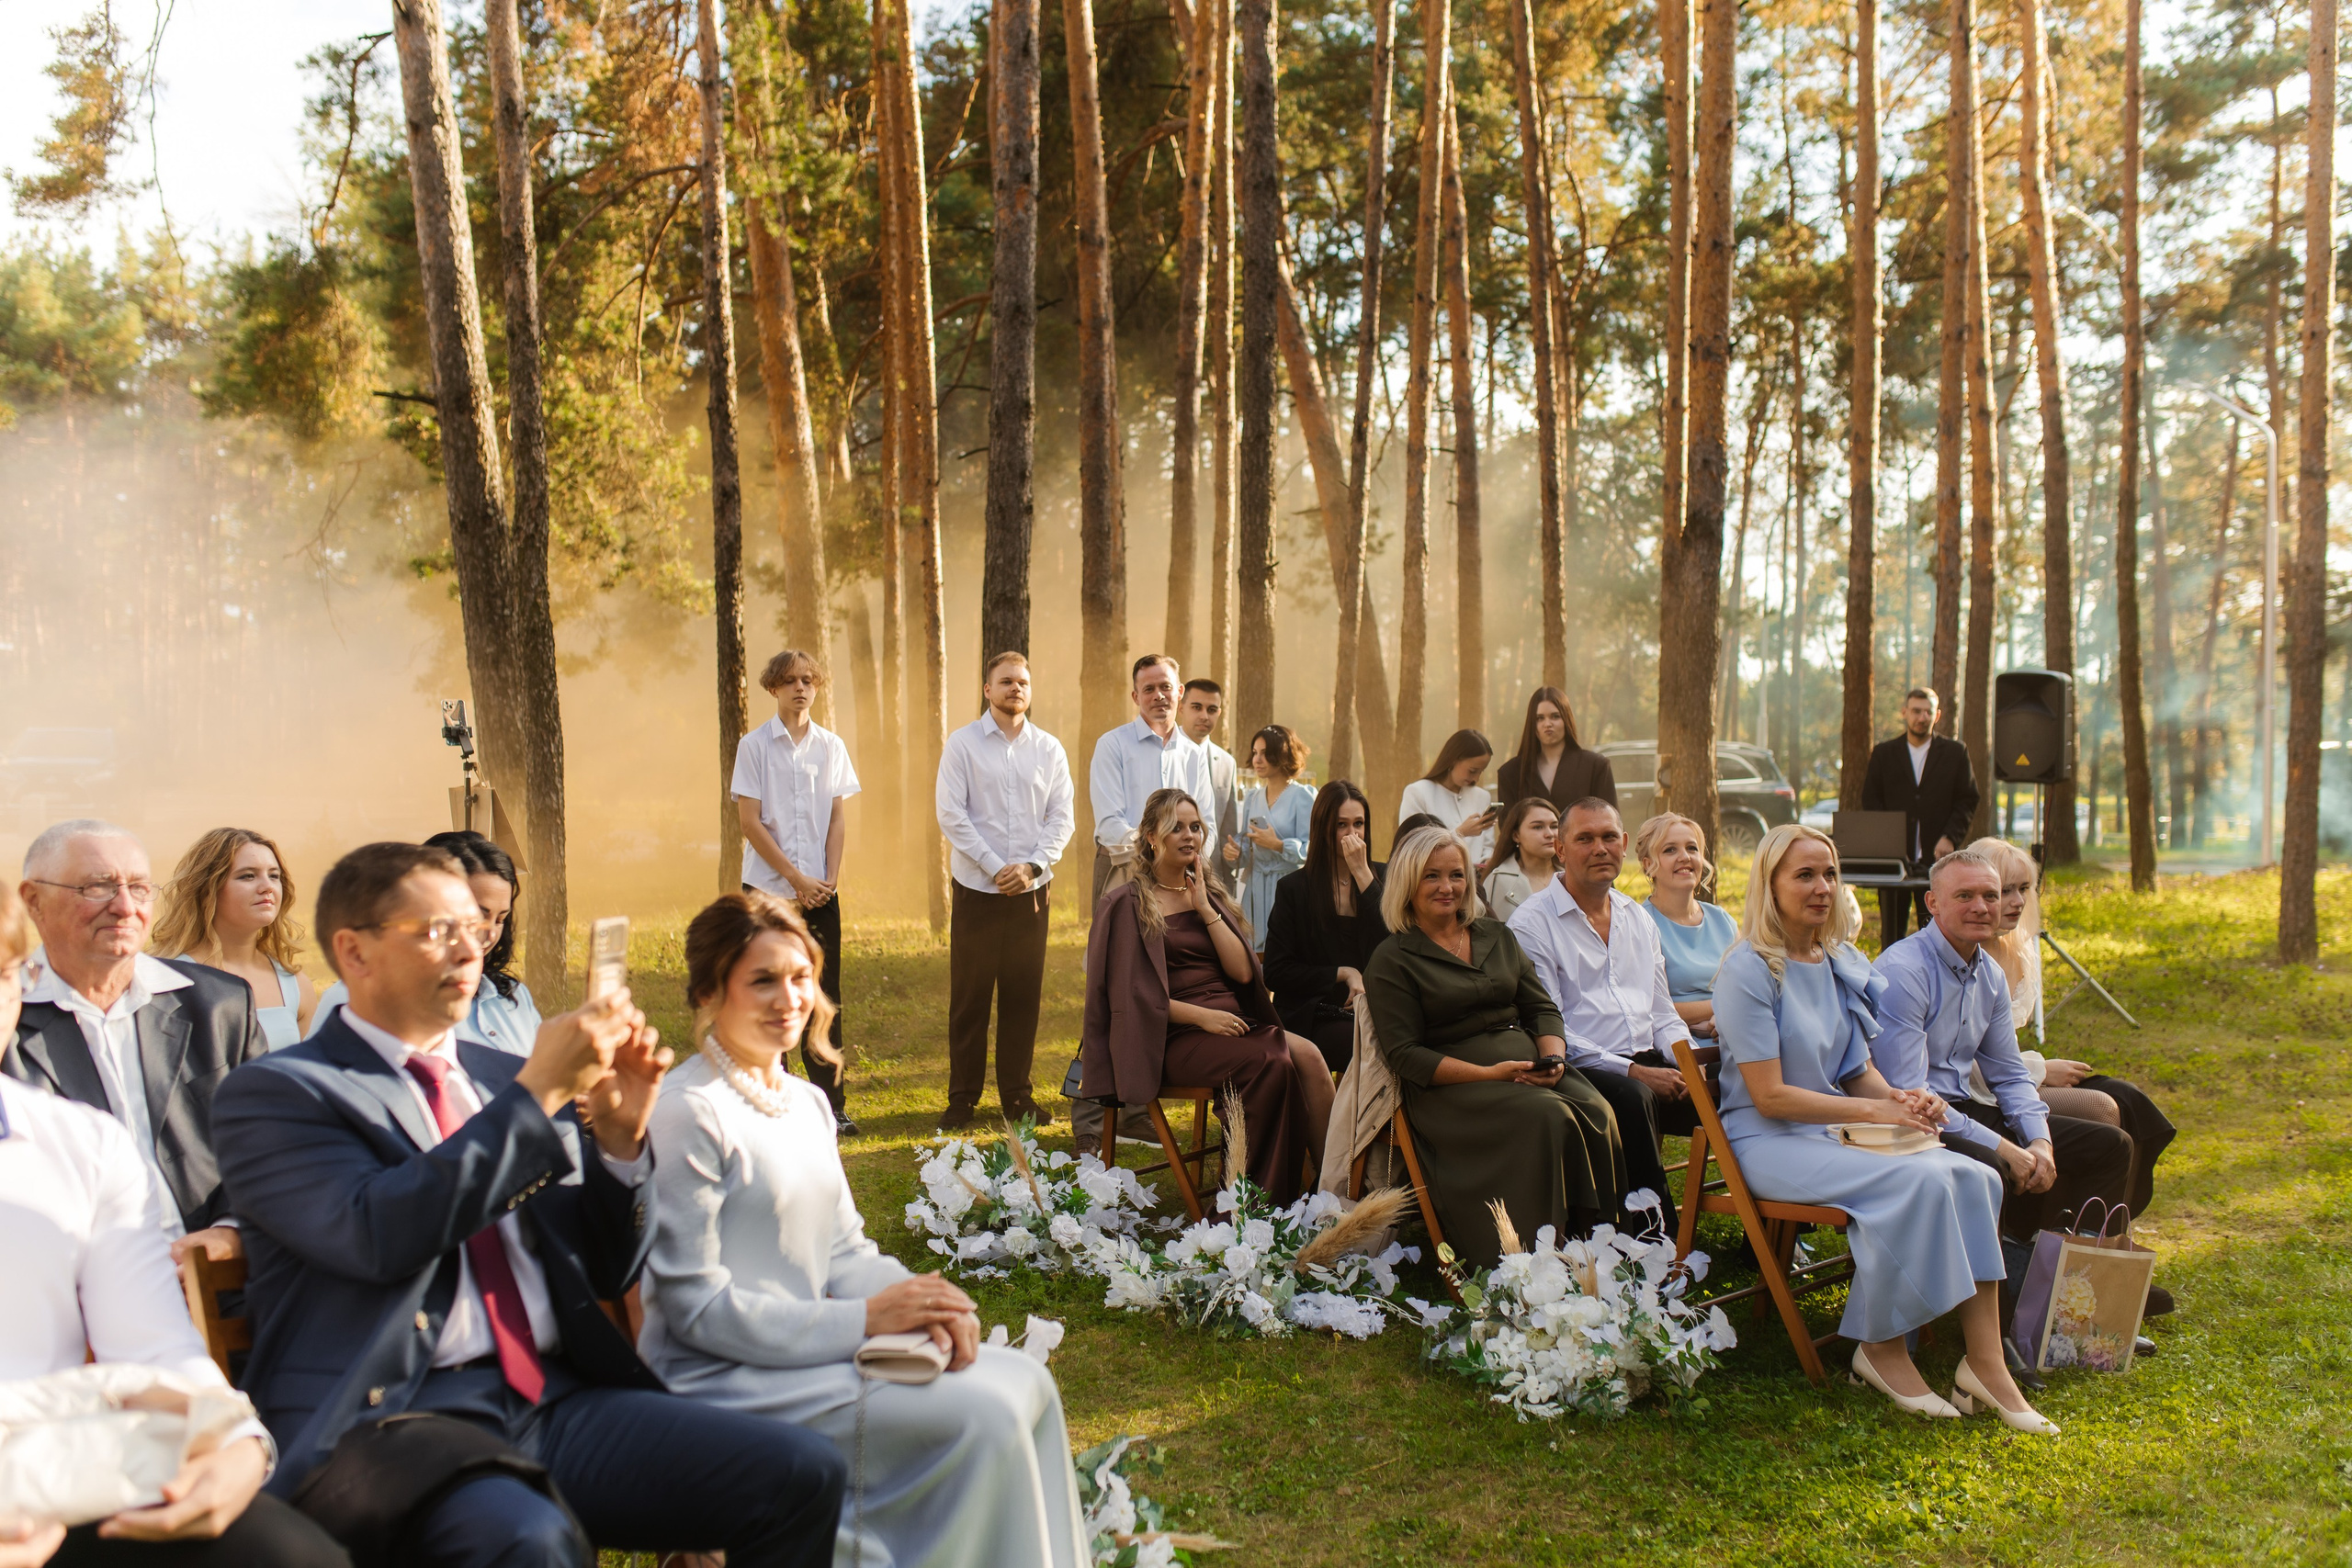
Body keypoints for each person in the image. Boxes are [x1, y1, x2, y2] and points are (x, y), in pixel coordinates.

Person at [211, 842, 845, 1566]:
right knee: (528, 1537)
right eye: (435, 931)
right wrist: (538, 1093)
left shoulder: (501, 1076)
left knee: (801, 1472)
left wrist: (620, 1146)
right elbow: (378, 1231)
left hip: (551, 1398)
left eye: (474, 928)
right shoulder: (280, 1093)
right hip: (393, 1420)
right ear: (354, 953)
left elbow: (604, 1270)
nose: (468, 947)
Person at [642, 893, 1086, 1567]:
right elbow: (695, 1309)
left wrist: (924, 1301)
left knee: (1029, 1386)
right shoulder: (688, 1111)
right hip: (723, 1378)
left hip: (812, 1349)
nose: (788, 997)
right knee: (985, 1419)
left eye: (800, 976)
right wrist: (867, 1320)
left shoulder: (806, 1102)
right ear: (709, 989)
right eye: (762, 979)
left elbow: (847, 1249)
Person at [0, 881, 353, 1568]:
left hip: (56, 1472)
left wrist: (235, 1445)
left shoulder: (81, 1142)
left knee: (290, 1557)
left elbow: (155, 1343)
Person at [1713, 825, 2053, 1433]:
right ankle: (1882, 1348)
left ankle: (1985, 1363)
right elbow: (1769, 1096)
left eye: (1830, 874)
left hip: (1834, 1130)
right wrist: (1878, 1112)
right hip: (1767, 1140)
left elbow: (1857, 1070)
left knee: (1975, 1176)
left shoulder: (1840, 960)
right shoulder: (1748, 969)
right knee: (1916, 1182)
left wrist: (1902, 1098)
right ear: (1769, 884)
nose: (1822, 887)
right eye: (1805, 875)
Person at [1363, 826, 1627, 1267]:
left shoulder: (1494, 935)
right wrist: (1490, 1073)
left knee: (1598, 1111)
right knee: (1549, 1115)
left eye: (1456, 875)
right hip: (1451, 1089)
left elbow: (1541, 1007)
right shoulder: (1392, 958)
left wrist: (1554, 1058)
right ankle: (1532, 1258)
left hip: (1527, 1064)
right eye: (1432, 876)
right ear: (1408, 883)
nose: (1447, 888)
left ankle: (1600, 1246)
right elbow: (1405, 1054)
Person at [6, 820, 264, 1254]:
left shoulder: (218, 1006)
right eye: (98, 887)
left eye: (140, 888)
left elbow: (272, 1142)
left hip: (221, 1286)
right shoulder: (7, 1018)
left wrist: (231, 1231)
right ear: (34, 901)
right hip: (69, 1290)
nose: (126, 907)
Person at [1871, 852, 2141, 1252]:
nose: (1981, 907)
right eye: (1965, 896)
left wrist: (2039, 1143)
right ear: (1933, 903)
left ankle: (2081, 1274)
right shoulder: (1904, 971)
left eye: (1990, 896)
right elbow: (1909, 1097)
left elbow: (2010, 1075)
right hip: (1914, 1124)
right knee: (1997, 1165)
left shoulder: (1990, 974)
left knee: (2110, 1146)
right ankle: (2013, 1278)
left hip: (1963, 1110)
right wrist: (2007, 1148)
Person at [1078, 789, 1333, 1199]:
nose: (1189, 835)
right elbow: (1130, 995)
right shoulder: (1127, 903)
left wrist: (1204, 909)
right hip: (1170, 1035)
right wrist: (1200, 1017)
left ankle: (1328, 1185)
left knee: (1307, 1057)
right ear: (1150, 836)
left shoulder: (1208, 896)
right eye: (1175, 827)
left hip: (1231, 1023)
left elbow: (1242, 974)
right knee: (1270, 1059)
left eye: (1195, 827)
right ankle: (1249, 1193)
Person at [1506, 799, 1696, 1235]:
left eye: (1609, 837)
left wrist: (1688, 1060)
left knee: (1734, 1088)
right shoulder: (1532, 923)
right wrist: (1635, 1072)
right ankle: (1653, 1240)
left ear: (1625, 844)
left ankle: (1771, 1231)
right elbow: (1550, 1025)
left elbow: (1662, 1012)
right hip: (1578, 1067)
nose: (1599, 848)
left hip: (1647, 1057)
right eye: (1585, 839)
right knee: (1634, 1098)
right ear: (1560, 848)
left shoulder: (1637, 919)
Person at [1971, 836, 2176, 1225]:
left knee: (2127, 1098)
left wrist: (2034, 1069)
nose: (2016, 901)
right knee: (2101, 1109)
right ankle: (2062, 1231)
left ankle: (2105, 1235)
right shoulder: (1965, 955)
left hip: (2008, 1073)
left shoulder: (2017, 949)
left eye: (2024, 889)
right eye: (2005, 890)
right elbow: (1965, 1057)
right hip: (1979, 1088)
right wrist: (2041, 1070)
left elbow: (2004, 1043)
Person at [1076, 657, 1216, 1152]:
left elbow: (1208, 824)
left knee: (1158, 986)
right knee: (1112, 987)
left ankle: (1136, 1113)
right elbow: (1110, 823)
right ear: (1135, 696)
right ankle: (1092, 1118)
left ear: (1180, 693)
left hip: (1179, 883)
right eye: (1149, 688)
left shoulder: (1195, 753)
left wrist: (1189, 862)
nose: (1159, 696)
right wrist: (1161, 853)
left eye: (1167, 688)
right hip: (1124, 878)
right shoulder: (1112, 745)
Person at [933, 651, 1075, 1131]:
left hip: (1032, 892)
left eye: (1023, 682)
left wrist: (1032, 866)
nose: (1016, 688)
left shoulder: (1049, 749)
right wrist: (997, 868)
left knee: (1022, 996)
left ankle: (1016, 1096)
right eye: (1006, 681)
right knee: (970, 999)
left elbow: (1062, 818)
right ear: (988, 690)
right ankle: (962, 1100)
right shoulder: (963, 745)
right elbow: (952, 815)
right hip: (978, 889)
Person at [732, 649, 861, 1135]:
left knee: (824, 993)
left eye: (809, 679)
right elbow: (750, 822)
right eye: (790, 681)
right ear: (774, 688)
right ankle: (774, 1094)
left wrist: (826, 879)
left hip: (821, 891)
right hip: (769, 891)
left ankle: (831, 1105)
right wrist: (795, 880)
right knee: (768, 988)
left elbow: (837, 818)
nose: (801, 688)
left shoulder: (831, 746)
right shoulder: (755, 747)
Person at [310, 832, 541, 1055]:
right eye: (474, 918)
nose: (487, 935)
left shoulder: (514, 997)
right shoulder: (359, 996)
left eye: (500, 919)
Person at [152, 827, 320, 1049]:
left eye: (274, 876)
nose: (267, 887)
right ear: (208, 889)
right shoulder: (170, 981)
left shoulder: (295, 985)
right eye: (248, 876)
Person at [1261, 782, 1387, 1073]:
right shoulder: (1295, 888)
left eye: (1359, 824)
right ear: (1323, 828)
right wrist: (1342, 973)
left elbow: (1394, 943)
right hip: (1314, 1013)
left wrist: (1363, 876)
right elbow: (1276, 972)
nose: (1352, 834)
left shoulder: (1382, 878)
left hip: (1375, 1011)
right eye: (1341, 825)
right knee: (1367, 1047)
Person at [1860, 687, 1979, 946]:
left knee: (1938, 933)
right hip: (1895, 861)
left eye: (1928, 712)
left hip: (1937, 860)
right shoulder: (1884, 753)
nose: (1921, 717)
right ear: (1905, 713)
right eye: (1916, 711)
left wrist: (1950, 837)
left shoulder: (1955, 753)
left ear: (1937, 716)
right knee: (1891, 936)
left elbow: (1967, 800)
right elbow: (1871, 801)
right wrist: (1885, 844)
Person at [1634, 813, 1738, 1039]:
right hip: (1675, 1050)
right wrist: (1722, 1007)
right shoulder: (1638, 924)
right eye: (1670, 850)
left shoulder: (1723, 921)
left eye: (1692, 848)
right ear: (1648, 864)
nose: (1685, 857)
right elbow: (1646, 1011)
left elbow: (1752, 988)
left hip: (1735, 1039)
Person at [1229, 725, 1317, 945]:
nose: (1257, 759)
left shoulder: (1303, 796)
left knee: (1285, 950)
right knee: (1253, 950)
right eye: (1255, 752)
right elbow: (1247, 847)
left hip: (1287, 888)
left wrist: (1279, 845)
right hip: (1255, 889)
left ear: (1283, 754)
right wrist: (1236, 851)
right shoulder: (1252, 798)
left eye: (1265, 753)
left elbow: (1313, 850)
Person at [1494, 687, 1617, 816]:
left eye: (1555, 716)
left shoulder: (1596, 766)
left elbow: (1611, 823)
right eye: (1540, 718)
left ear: (1566, 719)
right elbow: (1508, 830)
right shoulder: (1511, 773)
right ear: (1532, 724)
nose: (1547, 724)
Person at [1181, 678, 1246, 901]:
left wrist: (1231, 856)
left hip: (1214, 877)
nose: (1204, 716)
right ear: (1181, 707)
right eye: (1196, 707)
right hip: (1170, 873)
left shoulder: (1227, 762)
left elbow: (1228, 825)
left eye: (1212, 709)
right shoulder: (1165, 754)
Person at [1396, 729, 1498, 867]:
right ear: (1453, 760)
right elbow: (1411, 845)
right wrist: (1460, 832)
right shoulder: (1418, 792)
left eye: (1481, 772)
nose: (1476, 778)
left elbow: (1488, 845)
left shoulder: (1482, 796)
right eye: (1472, 771)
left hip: (1478, 883)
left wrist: (1486, 861)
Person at [1479, 798, 1560, 924]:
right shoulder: (1499, 879)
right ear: (1516, 835)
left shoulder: (1572, 876)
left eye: (1554, 826)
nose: (1550, 834)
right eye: (1538, 827)